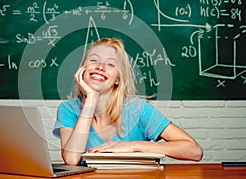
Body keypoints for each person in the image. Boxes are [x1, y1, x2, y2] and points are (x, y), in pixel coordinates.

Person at [53, 37, 203, 166]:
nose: (100, 67)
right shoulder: (68, 109)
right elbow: (72, 160)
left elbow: (194, 151)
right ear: (82, 70)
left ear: (118, 79)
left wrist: (133, 146)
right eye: (93, 60)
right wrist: (90, 101)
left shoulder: (137, 108)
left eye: (111, 64)